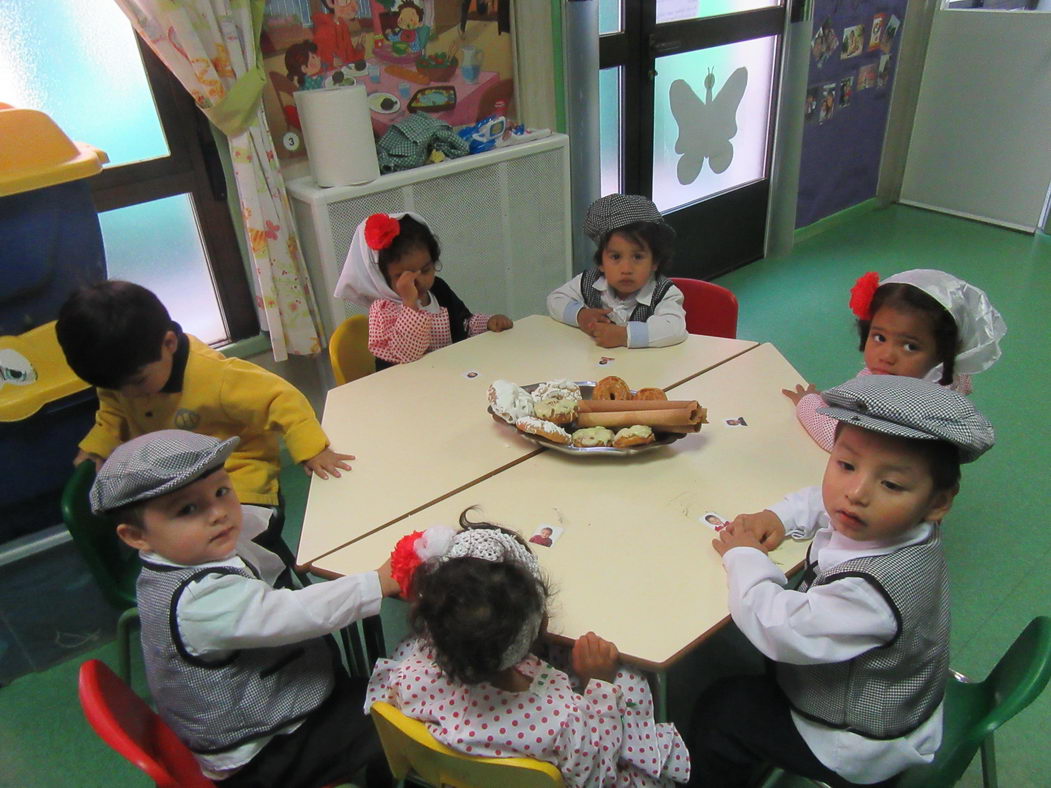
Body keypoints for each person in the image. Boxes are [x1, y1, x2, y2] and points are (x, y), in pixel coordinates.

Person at [689, 375, 995, 787]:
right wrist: (779, 516)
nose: (855, 492)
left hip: (855, 741)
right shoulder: (905, 523)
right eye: (846, 464)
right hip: (894, 689)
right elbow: (824, 500)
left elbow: (781, 628)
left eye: (890, 483)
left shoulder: (870, 592)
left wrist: (745, 556)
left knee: (720, 709)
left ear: (937, 502)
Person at [90, 430, 399, 786]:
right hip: (263, 751)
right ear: (135, 536)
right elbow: (293, 613)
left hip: (270, 714)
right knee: (399, 720)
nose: (220, 513)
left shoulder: (182, 553)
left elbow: (249, 528)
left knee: (385, 689)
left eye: (222, 491)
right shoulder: (198, 602)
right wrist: (376, 582)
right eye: (188, 509)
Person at [366, 513, 691, 786]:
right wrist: (600, 685)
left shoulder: (407, 673)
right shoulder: (562, 719)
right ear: (535, 630)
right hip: (552, 752)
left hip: (451, 767)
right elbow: (597, 775)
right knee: (631, 678)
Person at [56, 281, 354, 505]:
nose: (128, 395)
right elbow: (113, 411)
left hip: (238, 477)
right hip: (173, 480)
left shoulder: (214, 376)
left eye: (137, 383)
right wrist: (98, 446)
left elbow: (280, 398)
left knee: (218, 552)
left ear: (169, 343)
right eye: (114, 388)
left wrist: (313, 450)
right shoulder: (122, 374)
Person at [784, 269, 1005, 451]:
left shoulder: (899, 404)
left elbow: (837, 437)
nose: (887, 356)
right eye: (879, 337)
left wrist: (807, 402)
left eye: (910, 346)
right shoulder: (947, 377)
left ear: (944, 354)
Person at [333, 212, 513, 368]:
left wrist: (488, 322)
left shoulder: (438, 289)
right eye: (403, 276)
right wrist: (410, 304)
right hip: (408, 391)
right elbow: (408, 354)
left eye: (426, 270)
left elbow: (463, 323)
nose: (418, 282)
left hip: (447, 376)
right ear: (381, 277)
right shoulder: (383, 311)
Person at [547, 193, 687, 349]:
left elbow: (675, 328)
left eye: (638, 257)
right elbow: (555, 299)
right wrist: (580, 315)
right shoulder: (589, 281)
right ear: (601, 263)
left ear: (655, 262)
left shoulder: (663, 293)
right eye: (615, 257)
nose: (626, 269)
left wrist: (624, 335)